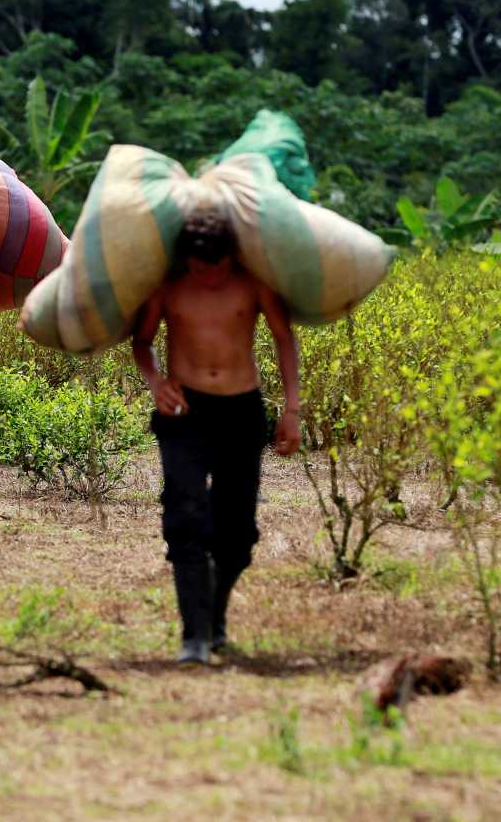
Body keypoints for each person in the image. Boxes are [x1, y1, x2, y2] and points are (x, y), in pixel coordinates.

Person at [131, 208, 301, 665]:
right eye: (202, 266)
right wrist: (156, 381)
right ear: (189, 258)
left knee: (237, 534)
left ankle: (215, 614)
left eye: (220, 265)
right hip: (185, 412)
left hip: (240, 413)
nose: (211, 275)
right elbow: (142, 341)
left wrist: (291, 409)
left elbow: (285, 338)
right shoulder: (168, 287)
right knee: (184, 518)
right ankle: (196, 636)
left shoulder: (253, 283)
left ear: (232, 257)